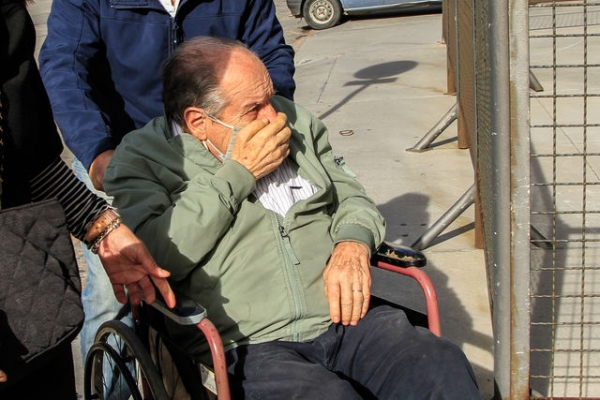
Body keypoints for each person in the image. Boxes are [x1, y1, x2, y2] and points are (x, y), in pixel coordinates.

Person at [104, 36, 483, 399]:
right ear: (198, 122)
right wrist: (238, 175)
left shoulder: (296, 120)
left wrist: (353, 243)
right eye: (254, 108)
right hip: (248, 343)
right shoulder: (141, 159)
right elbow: (159, 256)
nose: (275, 116)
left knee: (437, 365)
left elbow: (352, 196)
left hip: (346, 319)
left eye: (270, 97)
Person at [38, 0, 296, 368]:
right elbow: (65, 66)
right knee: (119, 295)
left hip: (218, 146)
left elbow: (270, 53)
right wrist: (96, 151)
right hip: (119, 151)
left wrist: (259, 118)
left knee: (240, 266)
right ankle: (111, 386)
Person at [0, 0, 175, 397]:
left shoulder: (6, 17)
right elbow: (66, 66)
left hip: (24, 290)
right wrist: (98, 153)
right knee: (106, 304)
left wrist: (101, 226)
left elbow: (32, 159)